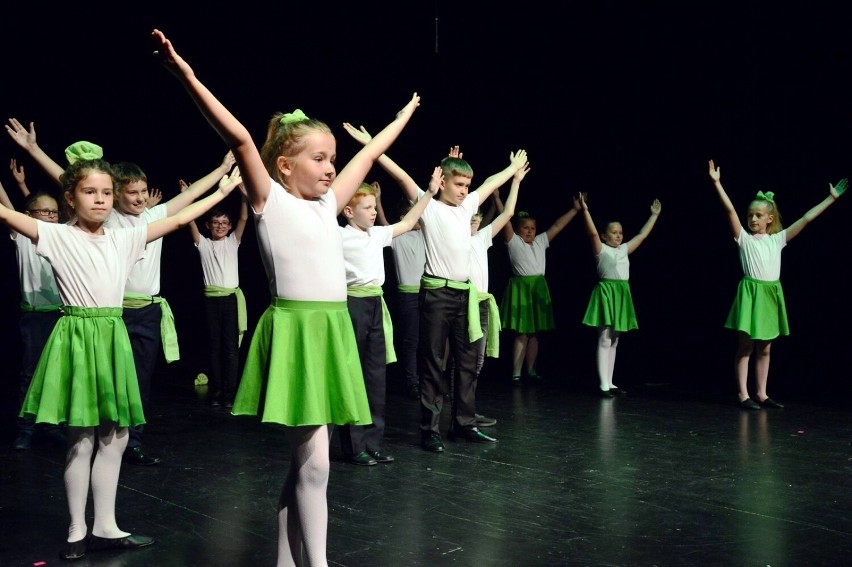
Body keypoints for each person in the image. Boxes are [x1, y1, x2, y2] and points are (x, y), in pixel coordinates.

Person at [152, 28, 420, 566]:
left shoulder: (329, 207)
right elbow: (240, 139)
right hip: (295, 331)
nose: (329, 168)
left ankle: (286, 559)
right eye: (319, 159)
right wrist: (185, 74)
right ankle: (316, 563)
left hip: (331, 328)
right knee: (314, 461)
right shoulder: (268, 200)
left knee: (305, 462)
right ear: (284, 166)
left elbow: (372, 152)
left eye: (332, 160)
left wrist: (406, 114)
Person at [0, 153, 241, 562]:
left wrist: (224, 189)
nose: (100, 200)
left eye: (106, 193)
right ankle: (77, 527)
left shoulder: (125, 237)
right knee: (81, 436)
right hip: (77, 335)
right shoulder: (55, 235)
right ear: (71, 198)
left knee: (116, 435)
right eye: (90, 192)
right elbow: (5, 215)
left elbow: (180, 219)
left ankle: (106, 525)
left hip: (113, 335)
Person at [5, 118, 239, 466]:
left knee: (137, 382)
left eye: (143, 192)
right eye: (132, 193)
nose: (140, 198)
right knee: (93, 388)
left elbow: (187, 202)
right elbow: (69, 181)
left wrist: (221, 176)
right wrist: (34, 150)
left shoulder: (148, 220)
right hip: (108, 313)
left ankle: (132, 442)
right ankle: (79, 437)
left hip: (144, 311)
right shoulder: (109, 221)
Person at [344, 122, 528, 451]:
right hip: (436, 294)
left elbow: (488, 183)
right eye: (458, 184)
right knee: (432, 364)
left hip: (464, 295)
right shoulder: (429, 206)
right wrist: (372, 146)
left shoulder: (469, 205)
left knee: (468, 362)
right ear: (443, 182)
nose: (463, 190)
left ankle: (464, 424)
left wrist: (512, 170)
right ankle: (430, 429)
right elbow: (400, 175)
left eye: (466, 184)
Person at [708, 160, 847, 409]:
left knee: (765, 348)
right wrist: (718, 183)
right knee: (746, 346)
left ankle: (761, 393)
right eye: (750, 215)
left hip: (771, 293)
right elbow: (730, 211)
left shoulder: (777, 240)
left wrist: (831, 199)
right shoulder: (743, 239)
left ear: (769, 219)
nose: (752, 219)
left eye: (758, 215)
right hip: (751, 293)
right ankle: (743, 394)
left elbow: (805, 219)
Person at [338, 176, 437, 466]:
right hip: (351, 304)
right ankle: (354, 446)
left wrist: (429, 193)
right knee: (353, 377)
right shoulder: (339, 236)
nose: (372, 211)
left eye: (373, 207)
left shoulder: (376, 234)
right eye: (367, 207)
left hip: (375, 304)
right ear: (348, 211)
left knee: (375, 377)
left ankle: (373, 442)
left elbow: (407, 223)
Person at [446, 160, 528, 431]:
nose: (474, 222)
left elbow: (508, 213)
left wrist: (515, 181)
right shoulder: (453, 236)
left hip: (481, 303)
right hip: (462, 302)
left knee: (476, 362)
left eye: (477, 219)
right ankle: (461, 413)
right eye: (470, 218)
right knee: (464, 362)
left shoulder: (481, 238)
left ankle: (467, 410)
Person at [1, 166, 64, 450]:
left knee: (61, 374)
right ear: (29, 217)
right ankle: (25, 429)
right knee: (31, 374)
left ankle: (53, 425)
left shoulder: (63, 236)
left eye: (54, 212)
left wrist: (29, 190)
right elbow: (11, 209)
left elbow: (40, 212)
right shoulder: (23, 236)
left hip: (62, 316)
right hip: (35, 318)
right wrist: (16, 187)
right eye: (45, 213)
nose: (52, 216)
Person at [579, 193, 661, 398]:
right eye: (613, 232)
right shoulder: (601, 250)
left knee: (615, 340)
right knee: (605, 339)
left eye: (620, 232)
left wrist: (654, 216)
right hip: (607, 292)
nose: (618, 236)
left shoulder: (624, 249)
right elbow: (592, 234)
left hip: (622, 293)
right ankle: (603, 384)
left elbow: (642, 235)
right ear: (605, 236)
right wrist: (585, 211)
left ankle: (610, 381)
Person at [500, 198, 582, 386]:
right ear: (518, 229)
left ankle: (531, 370)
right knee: (522, 332)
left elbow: (558, 225)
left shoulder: (540, 242)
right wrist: (498, 199)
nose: (530, 231)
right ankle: (516, 373)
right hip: (521, 288)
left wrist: (575, 210)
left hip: (538, 288)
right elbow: (505, 219)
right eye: (525, 228)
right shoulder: (514, 242)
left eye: (532, 228)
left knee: (535, 333)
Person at [185, 181, 249, 409]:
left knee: (230, 349)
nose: (220, 226)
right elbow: (188, 219)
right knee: (214, 346)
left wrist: (243, 197)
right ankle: (217, 390)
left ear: (230, 226)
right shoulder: (202, 244)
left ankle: (230, 393)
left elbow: (243, 219)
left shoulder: (233, 241)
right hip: (211, 301)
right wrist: (190, 198)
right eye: (216, 223)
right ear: (208, 225)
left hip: (231, 301)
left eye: (224, 223)